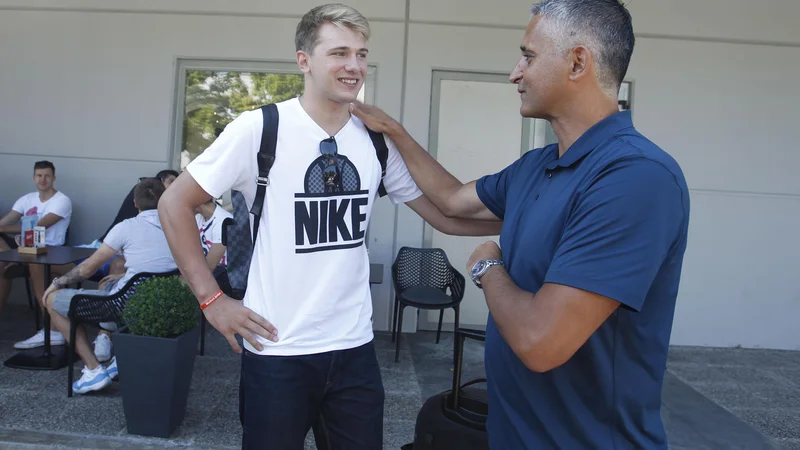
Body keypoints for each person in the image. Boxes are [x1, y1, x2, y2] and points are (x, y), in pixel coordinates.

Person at [158, 4, 501, 449]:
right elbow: (173, 204)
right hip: (278, 349)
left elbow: (447, 216)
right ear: (304, 60)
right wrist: (211, 300)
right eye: (339, 52)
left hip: (354, 349)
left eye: (361, 54)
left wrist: (539, 223)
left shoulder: (375, 140)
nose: (353, 65)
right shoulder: (262, 128)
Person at [349, 0, 691, 448]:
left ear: (577, 61)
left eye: (528, 56)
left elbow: (540, 341)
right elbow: (452, 205)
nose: (515, 73)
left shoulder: (635, 177)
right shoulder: (537, 166)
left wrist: (488, 269)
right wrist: (393, 134)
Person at [40, 178, 177, 394]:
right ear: (164, 200)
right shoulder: (179, 227)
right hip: (162, 301)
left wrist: (57, 282)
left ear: (134, 203)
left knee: (52, 300)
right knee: (107, 284)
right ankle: (118, 360)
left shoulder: (126, 227)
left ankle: (93, 370)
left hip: (125, 304)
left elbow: (87, 269)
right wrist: (123, 274)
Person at [0, 160, 72, 318]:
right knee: (1, 265)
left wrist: (4, 229)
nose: (43, 179)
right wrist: (2, 227)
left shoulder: (62, 201)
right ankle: (10, 260)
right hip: (25, 247)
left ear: (54, 178)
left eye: (47, 175)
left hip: (49, 250)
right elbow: (6, 221)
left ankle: (13, 259)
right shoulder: (27, 199)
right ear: (33, 177)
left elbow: (38, 227)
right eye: (39, 175)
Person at [194, 198, 233, 292]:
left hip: (225, 278)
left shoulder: (223, 221)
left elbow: (210, 265)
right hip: (208, 275)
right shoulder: (198, 217)